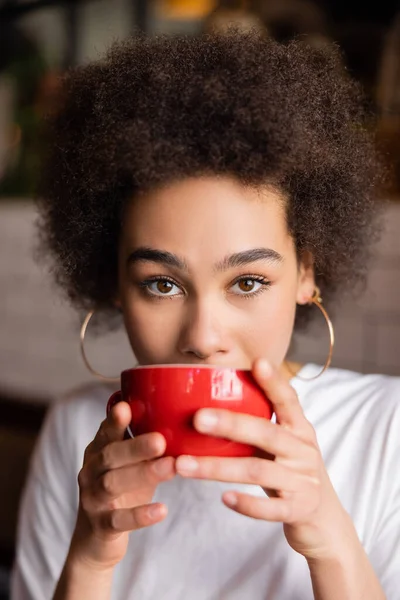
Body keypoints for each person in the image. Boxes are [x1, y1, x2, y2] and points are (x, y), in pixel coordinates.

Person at [11, 29, 399, 600]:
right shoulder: (76, 432)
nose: (204, 337)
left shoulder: (385, 429)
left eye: (247, 281)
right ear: (114, 283)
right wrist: (91, 560)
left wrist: (330, 539)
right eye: (162, 284)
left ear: (307, 273)